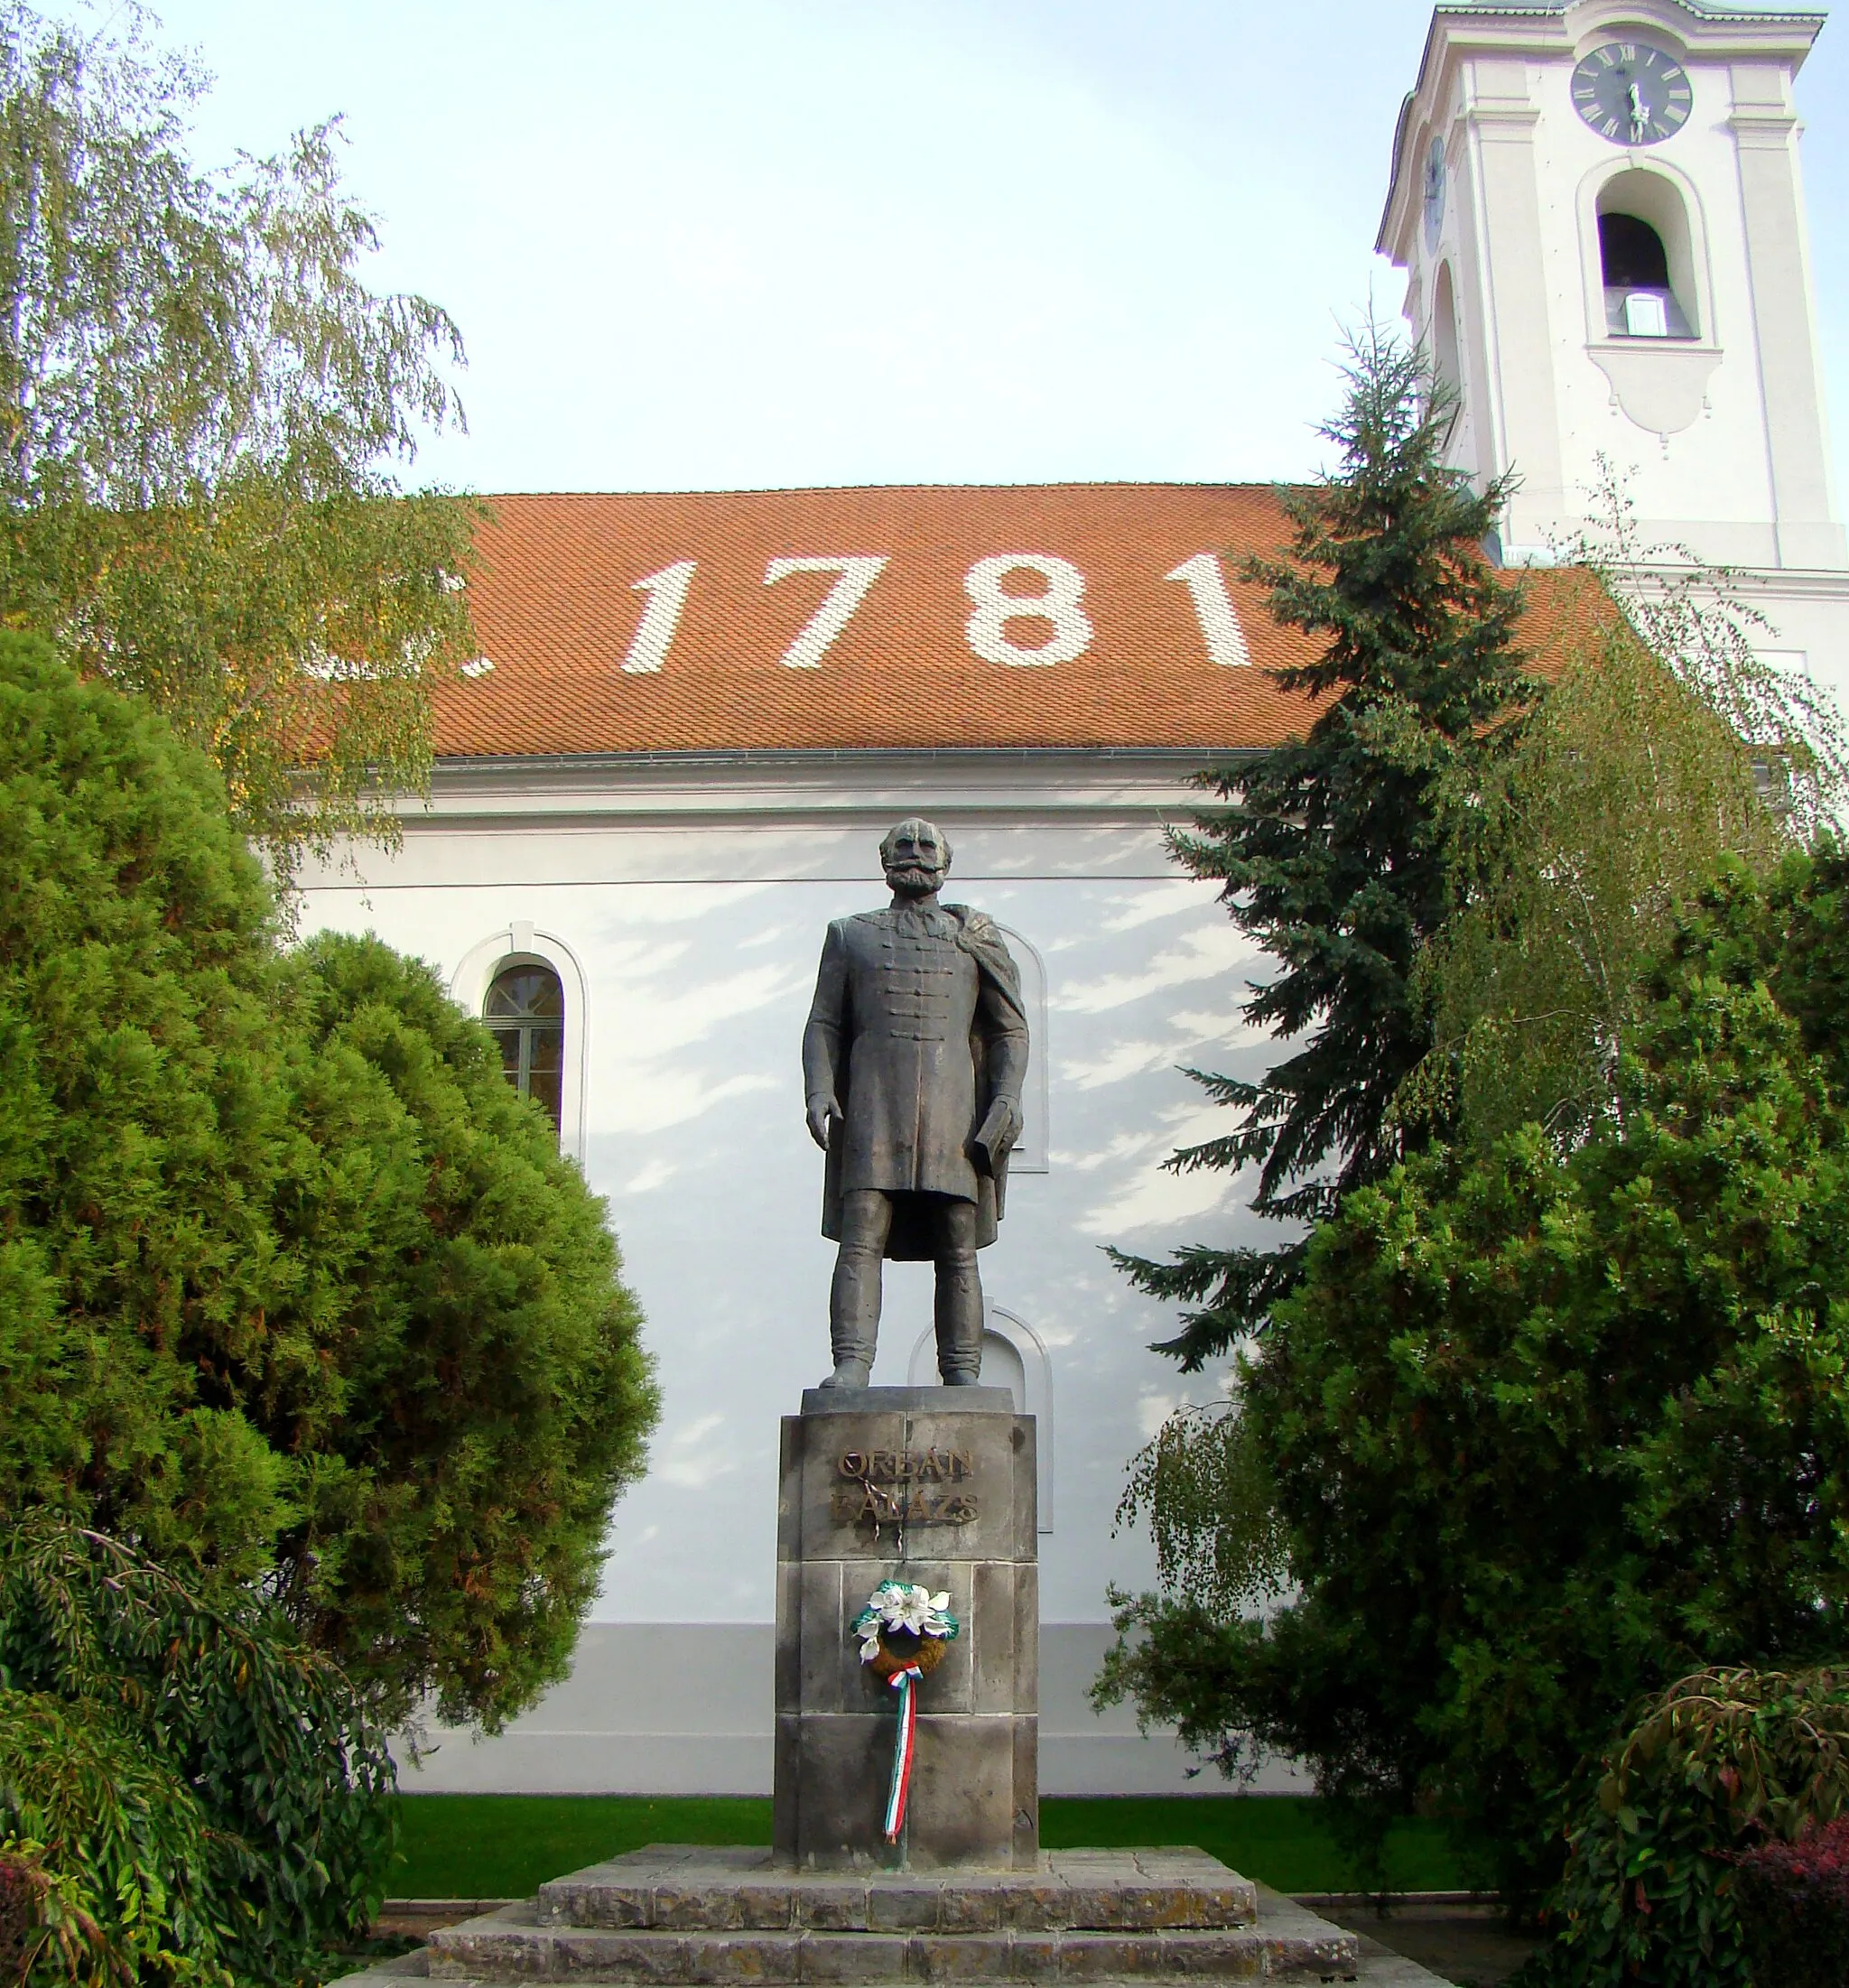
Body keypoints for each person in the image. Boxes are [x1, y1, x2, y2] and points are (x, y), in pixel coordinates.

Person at [802, 818, 1029, 1389]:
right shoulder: (850, 935)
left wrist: (1004, 1096)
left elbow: (1009, 1030)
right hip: (874, 1106)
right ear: (884, 861)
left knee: (958, 1238)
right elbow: (824, 1022)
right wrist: (820, 1089)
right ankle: (851, 1363)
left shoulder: (975, 937)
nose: (915, 854)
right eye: (903, 845)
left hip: (955, 1113)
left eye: (927, 846)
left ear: (945, 864)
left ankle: (962, 1375)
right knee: (864, 1230)